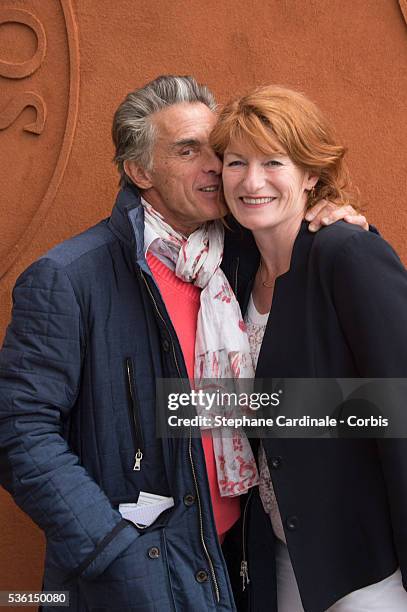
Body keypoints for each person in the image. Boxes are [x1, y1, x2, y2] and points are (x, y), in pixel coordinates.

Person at [0, 75, 367, 612]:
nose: (216, 167)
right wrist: (115, 551)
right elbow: (19, 429)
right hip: (139, 571)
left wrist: (336, 225)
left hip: (240, 559)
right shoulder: (70, 278)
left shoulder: (241, 260)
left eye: (215, 149)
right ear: (139, 170)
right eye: (188, 150)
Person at [210, 85, 407, 611]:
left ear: (311, 175)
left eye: (274, 162)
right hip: (279, 553)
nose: (252, 181)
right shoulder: (233, 268)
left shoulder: (346, 254)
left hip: (363, 566)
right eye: (236, 162)